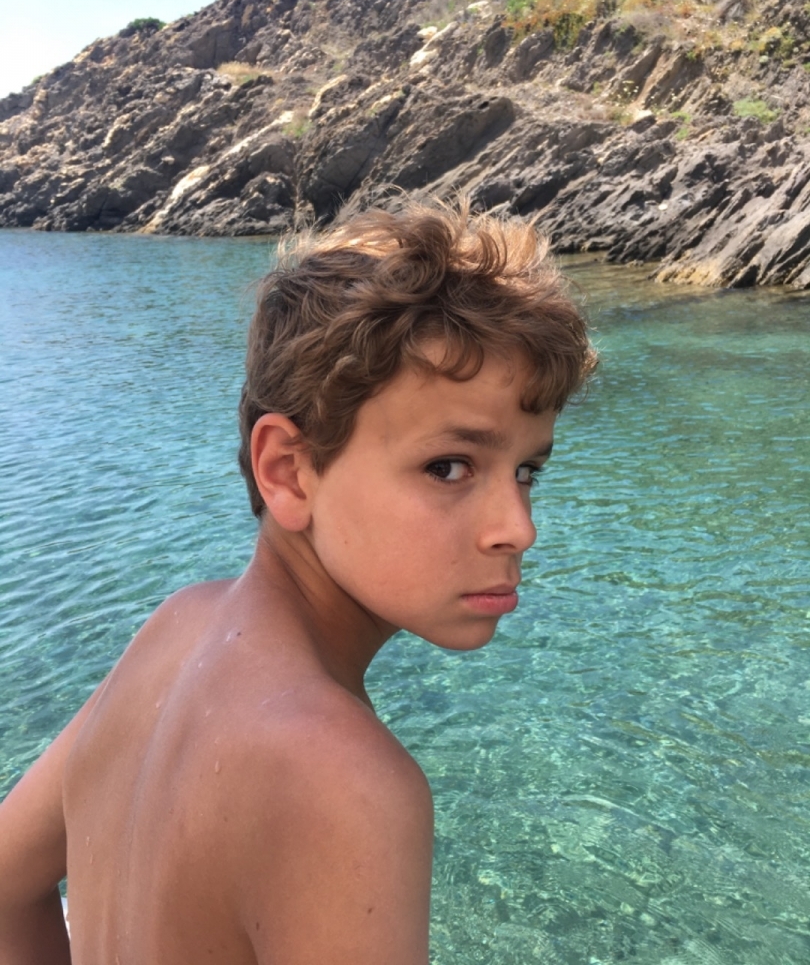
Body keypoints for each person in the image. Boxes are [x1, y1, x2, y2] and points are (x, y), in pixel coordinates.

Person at [0, 200, 596, 964]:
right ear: (287, 470)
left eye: (527, 470)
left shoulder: (176, 626)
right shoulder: (343, 780)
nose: (517, 528)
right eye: (448, 467)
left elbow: (7, 887)